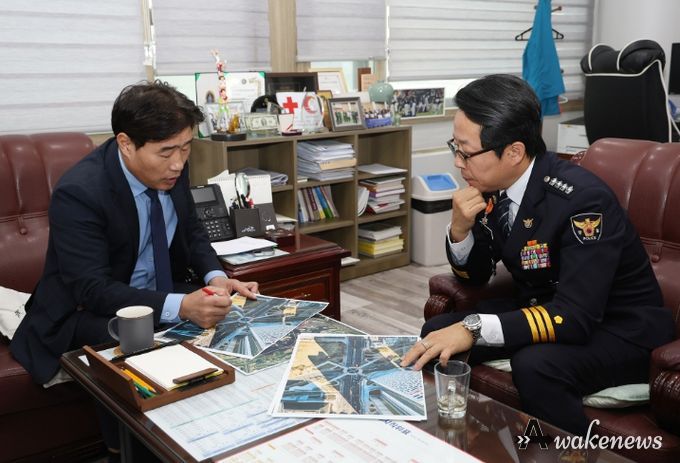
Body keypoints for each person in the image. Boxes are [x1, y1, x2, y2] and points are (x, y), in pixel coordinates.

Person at [401, 74, 674, 436]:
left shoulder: (582, 201)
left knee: (536, 365)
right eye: (455, 147)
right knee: (436, 333)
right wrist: (460, 230)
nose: (457, 162)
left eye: (465, 152)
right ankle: (468, 438)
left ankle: (571, 454)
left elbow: (575, 316)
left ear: (513, 152)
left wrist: (473, 327)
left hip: (619, 328)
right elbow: (478, 276)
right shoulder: (495, 185)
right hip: (548, 307)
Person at [11, 80, 258, 456]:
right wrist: (182, 305)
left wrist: (217, 277)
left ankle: (231, 432)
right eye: (167, 152)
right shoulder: (80, 192)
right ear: (126, 144)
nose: (178, 163)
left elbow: (192, 232)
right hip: (87, 309)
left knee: (236, 324)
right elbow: (92, 289)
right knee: (140, 346)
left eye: (186, 147)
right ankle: (134, 449)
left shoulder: (171, 167)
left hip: (156, 289)